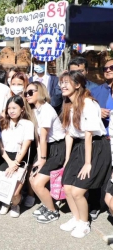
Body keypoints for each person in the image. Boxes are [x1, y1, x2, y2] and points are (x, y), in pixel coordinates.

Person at [59, 71, 111, 238]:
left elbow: (89, 134)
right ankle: (76, 218)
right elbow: (69, 134)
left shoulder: (88, 103)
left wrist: (88, 163)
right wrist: (67, 159)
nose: (63, 85)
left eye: (67, 82)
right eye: (61, 83)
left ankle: (84, 223)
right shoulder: (67, 104)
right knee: (67, 186)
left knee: (77, 191)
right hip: (79, 147)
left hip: (97, 146)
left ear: (77, 84)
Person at [25, 82, 66, 223]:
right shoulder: (36, 110)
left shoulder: (46, 110)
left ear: (40, 92)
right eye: (26, 93)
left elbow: (43, 137)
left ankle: (53, 212)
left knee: (37, 183)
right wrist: (39, 156)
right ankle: (47, 205)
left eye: (31, 92)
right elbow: (39, 139)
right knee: (32, 179)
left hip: (57, 148)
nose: (27, 95)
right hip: (45, 148)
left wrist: (42, 159)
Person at [0, 95, 34, 218]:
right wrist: (9, 162)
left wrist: (16, 163)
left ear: (22, 109)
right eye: (9, 108)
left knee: (16, 192)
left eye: (14, 108)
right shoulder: (2, 122)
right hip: (6, 158)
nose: (11, 111)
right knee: (5, 187)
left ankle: (15, 204)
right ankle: (6, 202)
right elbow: (0, 145)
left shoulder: (27, 124)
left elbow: (26, 145)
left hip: (20, 158)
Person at [86, 59, 113, 221]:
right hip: (102, 140)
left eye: (112, 67)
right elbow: (86, 111)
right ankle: (95, 205)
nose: (108, 70)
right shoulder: (96, 91)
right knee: (97, 172)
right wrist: (97, 112)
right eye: (105, 68)